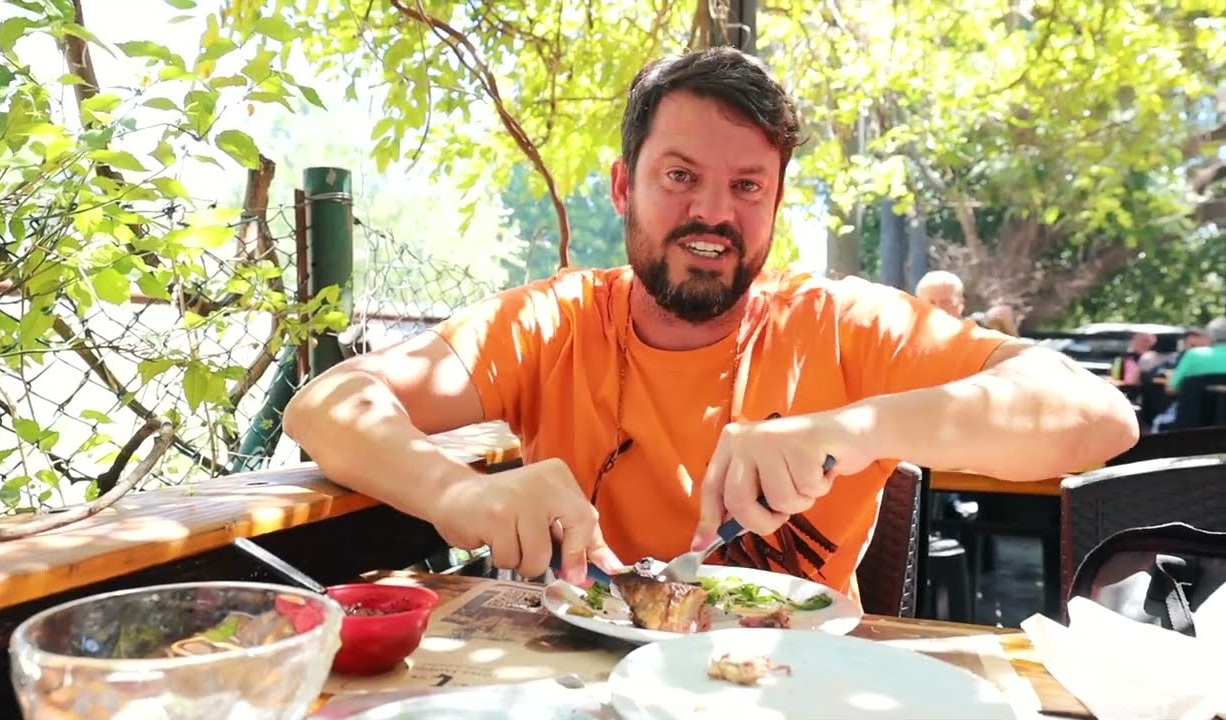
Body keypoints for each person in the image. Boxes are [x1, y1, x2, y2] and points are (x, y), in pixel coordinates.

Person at [282, 47, 1138, 606]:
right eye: (680, 176)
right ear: (623, 187)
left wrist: (854, 428)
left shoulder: (840, 323)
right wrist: (459, 493)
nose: (713, 214)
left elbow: (1098, 415)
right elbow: (329, 402)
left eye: (747, 186)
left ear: (776, 200)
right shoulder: (552, 322)